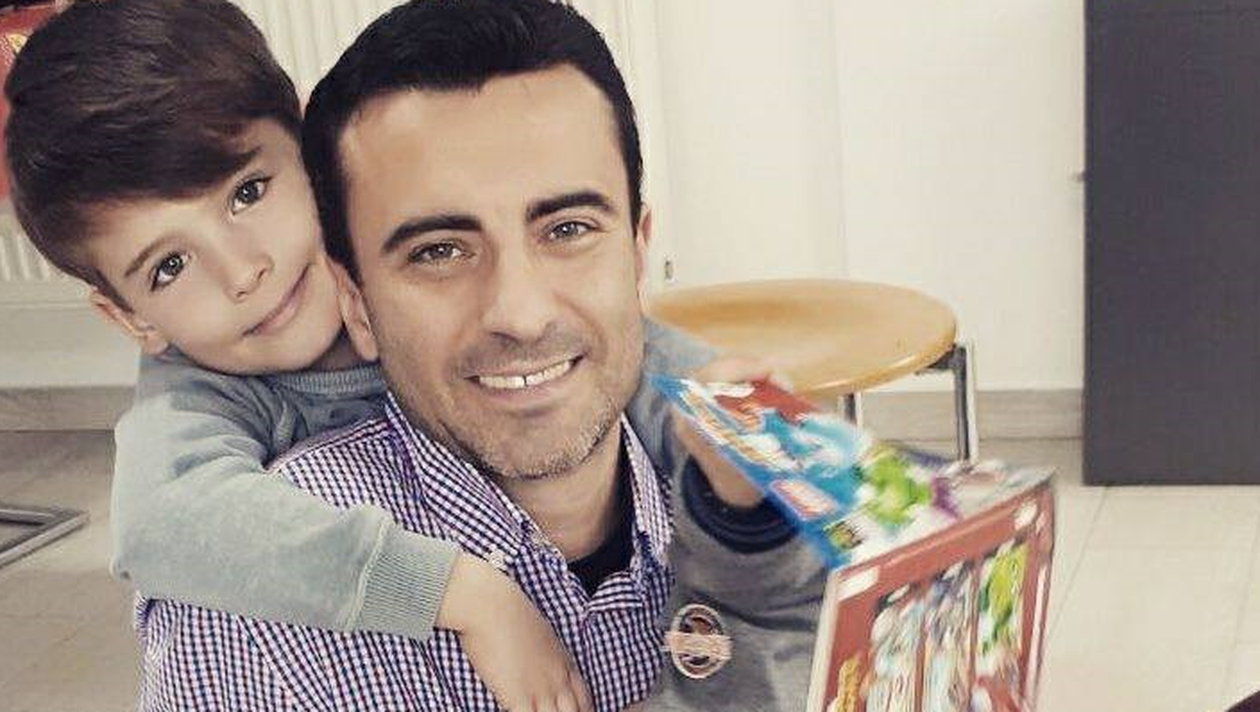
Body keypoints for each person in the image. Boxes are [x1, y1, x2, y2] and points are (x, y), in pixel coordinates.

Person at [3, 0, 728, 709]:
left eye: (248, 193)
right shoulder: (197, 399)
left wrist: (761, 450)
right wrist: (458, 592)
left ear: (310, 159)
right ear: (128, 317)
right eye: (169, 266)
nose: (244, 271)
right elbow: (161, 525)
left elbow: (646, 359)